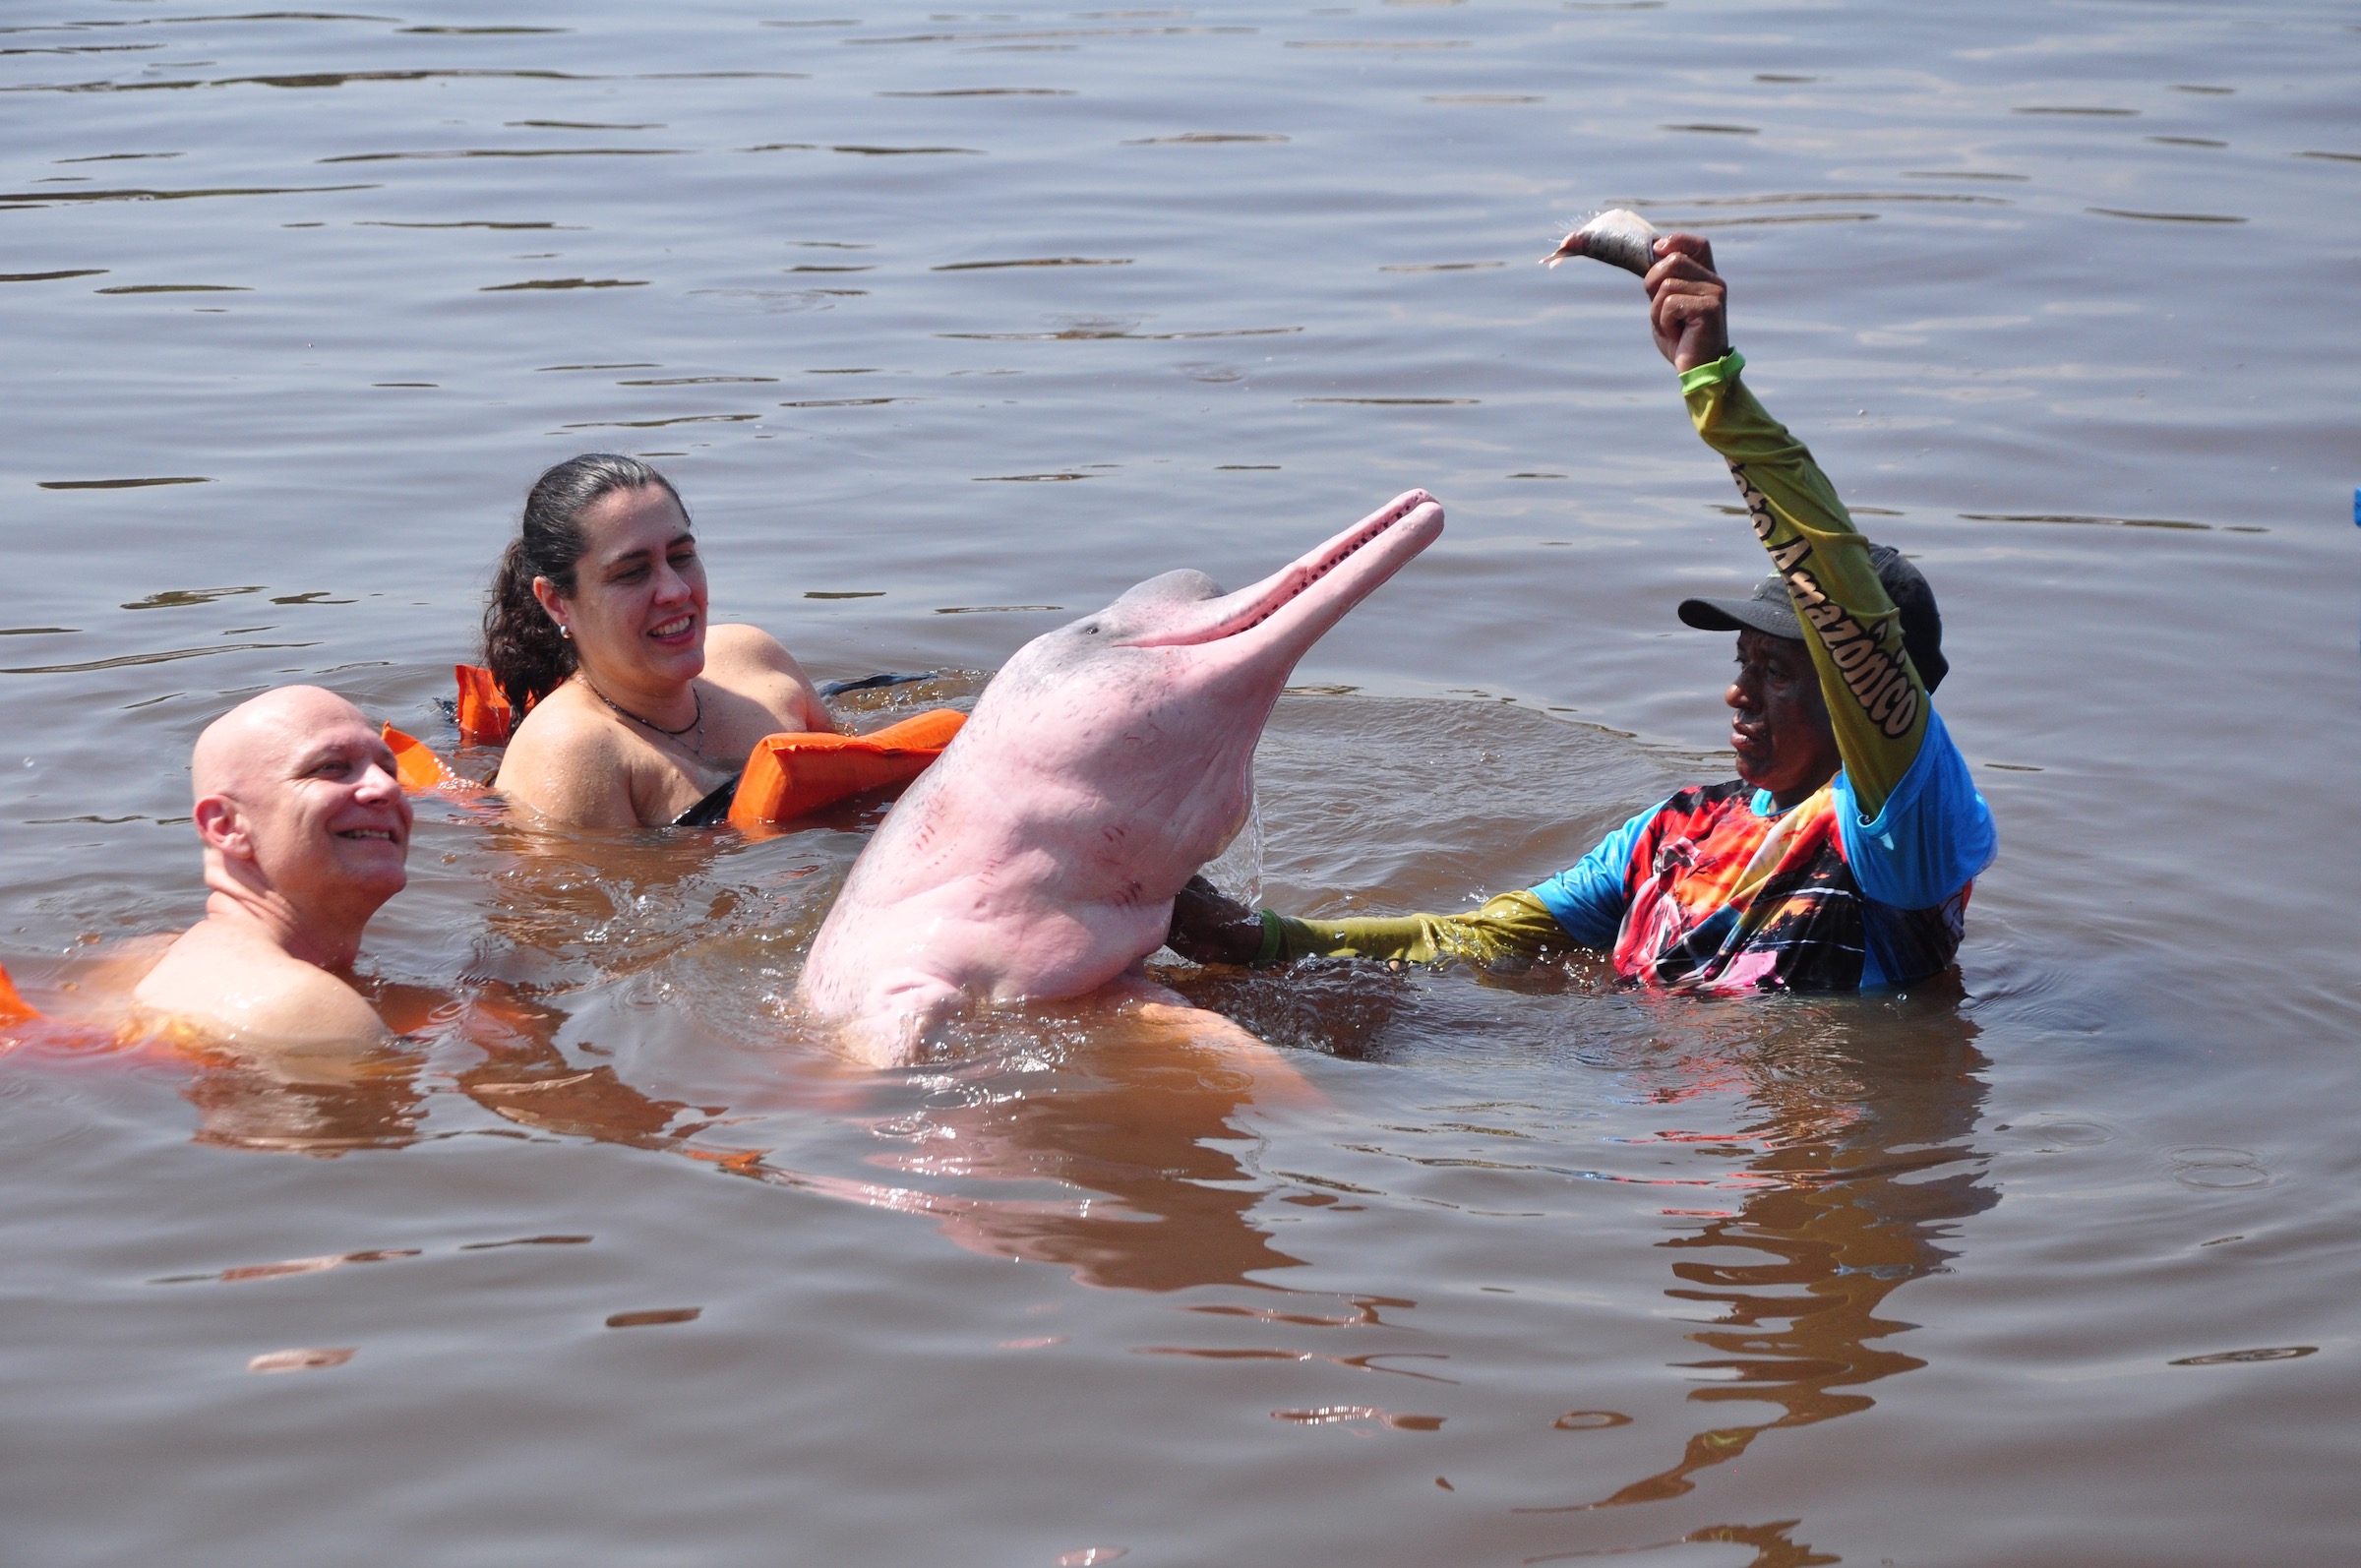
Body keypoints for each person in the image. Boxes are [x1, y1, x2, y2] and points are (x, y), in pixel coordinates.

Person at [1168, 233, 1996, 993]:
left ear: (1863, 706)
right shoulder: (1675, 833)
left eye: (1775, 672)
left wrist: (1718, 395)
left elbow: (1848, 610)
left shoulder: (1902, 841)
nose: (1737, 695)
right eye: (1742, 664)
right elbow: (1482, 937)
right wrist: (1260, 940)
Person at [484, 453, 835, 828]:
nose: (675, 590)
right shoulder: (573, 752)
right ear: (557, 602)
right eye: (632, 573)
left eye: (681, 557)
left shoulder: (756, 660)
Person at [132, 686, 413, 1045]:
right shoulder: (308, 1009)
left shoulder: (156, 957)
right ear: (227, 826)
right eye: (331, 767)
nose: (387, 787)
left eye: (389, 768)